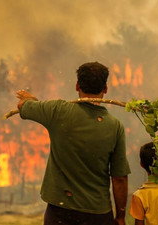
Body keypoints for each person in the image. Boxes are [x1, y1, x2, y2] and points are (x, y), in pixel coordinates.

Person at [16, 62, 130, 225]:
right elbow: (119, 178)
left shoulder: (57, 111)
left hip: (60, 213)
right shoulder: (115, 126)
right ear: (105, 89)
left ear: (77, 86)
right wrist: (120, 217)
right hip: (97, 214)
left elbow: (22, 106)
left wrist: (30, 100)